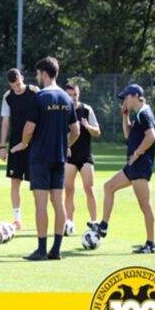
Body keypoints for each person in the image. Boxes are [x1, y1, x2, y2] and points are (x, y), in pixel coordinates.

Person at [11, 57, 79, 261]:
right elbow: (76, 130)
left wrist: (24, 143)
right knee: (58, 202)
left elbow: (29, 128)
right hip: (59, 157)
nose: (37, 77)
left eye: (38, 73)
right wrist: (66, 145)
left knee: (40, 203)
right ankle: (56, 250)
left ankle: (41, 250)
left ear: (45, 74)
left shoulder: (40, 97)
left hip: (40, 157)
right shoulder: (67, 98)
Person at [88, 84, 155, 254]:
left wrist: (137, 153)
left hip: (140, 166)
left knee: (145, 205)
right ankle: (103, 226)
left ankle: (150, 244)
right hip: (133, 165)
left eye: (126, 97)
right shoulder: (138, 114)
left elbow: (151, 136)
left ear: (134, 96)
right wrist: (125, 116)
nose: (124, 101)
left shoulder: (145, 113)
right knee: (109, 187)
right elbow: (128, 135)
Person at [0, 68, 39, 229]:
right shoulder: (8, 97)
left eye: (18, 83)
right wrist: (2, 146)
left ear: (22, 77)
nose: (17, 87)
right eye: (13, 85)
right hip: (16, 143)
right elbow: (5, 122)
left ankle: (40, 217)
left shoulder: (35, 91)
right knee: (15, 182)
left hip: (34, 143)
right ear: (9, 84)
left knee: (36, 183)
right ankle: (17, 219)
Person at [63, 82, 101, 234]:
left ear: (78, 95)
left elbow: (97, 132)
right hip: (69, 157)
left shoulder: (87, 109)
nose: (73, 98)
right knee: (68, 190)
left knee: (89, 188)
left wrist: (87, 126)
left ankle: (94, 222)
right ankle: (68, 223)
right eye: (69, 95)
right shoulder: (62, 111)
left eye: (75, 95)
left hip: (85, 156)